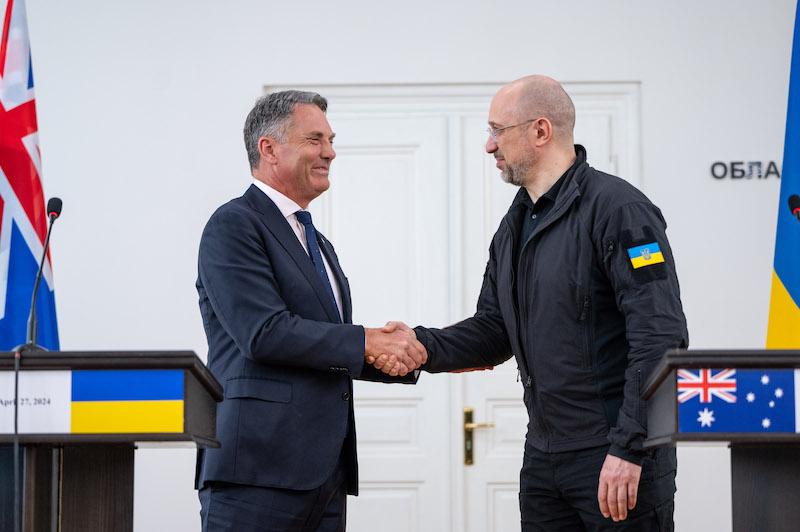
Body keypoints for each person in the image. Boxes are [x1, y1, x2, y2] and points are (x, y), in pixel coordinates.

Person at [379, 75, 688, 531]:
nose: (489, 146)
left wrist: (630, 447)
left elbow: (660, 337)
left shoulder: (619, 210)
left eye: (497, 131)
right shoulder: (514, 226)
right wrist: (417, 347)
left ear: (540, 131)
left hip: (614, 456)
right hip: (544, 460)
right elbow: (493, 330)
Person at [196, 90, 425, 532]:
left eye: (331, 139)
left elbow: (324, 346)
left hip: (323, 474)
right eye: (315, 139)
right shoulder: (234, 224)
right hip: (257, 473)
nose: (330, 152)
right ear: (269, 148)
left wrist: (420, 354)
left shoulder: (317, 243)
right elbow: (263, 333)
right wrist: (368, 341)